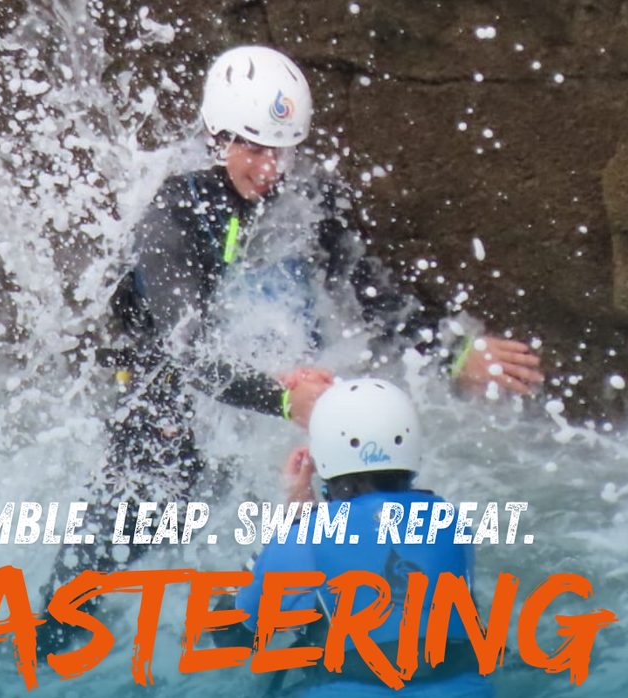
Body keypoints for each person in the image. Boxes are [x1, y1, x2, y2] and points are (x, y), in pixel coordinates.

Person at [39, 44, 542, 650]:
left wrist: (453, 352)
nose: (270, 168)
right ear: (215, 136)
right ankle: (45, 648)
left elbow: (371, 286)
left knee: (306, 552)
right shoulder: (172, 217)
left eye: (280, 148)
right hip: (166, 416)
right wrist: (282, 400)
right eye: (252, 148)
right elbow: (187, 354)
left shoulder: (307, 200)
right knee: (89, 579)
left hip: (254, 409)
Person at [219, 378, 491, 697]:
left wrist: (291, 520)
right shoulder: (452, 522)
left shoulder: (301, 538)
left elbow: (228, 634)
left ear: (320, 457)